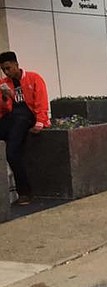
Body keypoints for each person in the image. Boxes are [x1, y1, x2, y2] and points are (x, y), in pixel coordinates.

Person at [0, 51, 50, 206]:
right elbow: (3, 110)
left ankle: (24, 192)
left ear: (16, 64)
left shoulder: (34, 78)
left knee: (12, 152)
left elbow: (41, 102)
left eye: (8, 68)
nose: (6, 72)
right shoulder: (4, 83)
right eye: (3, 69)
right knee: (12, 136)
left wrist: (40, 122)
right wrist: (4, 97)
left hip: (27, 116)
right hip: (12, 118)